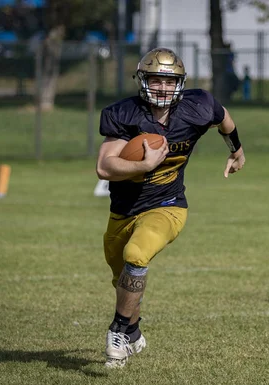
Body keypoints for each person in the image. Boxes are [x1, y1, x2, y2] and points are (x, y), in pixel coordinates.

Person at [95, 47, 246, 367]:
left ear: (180, 83)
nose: (162, 87)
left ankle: (117, 332)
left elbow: (224, 118)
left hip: (168, 205)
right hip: (123, 211)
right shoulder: (125, 114)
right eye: (155, 80)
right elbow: (105, 167)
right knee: (122, 279)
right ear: (143, 81)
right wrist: (142, 164)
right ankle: (133, 330)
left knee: (137, 254)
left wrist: (236, 150)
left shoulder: (198, 105)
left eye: (169, 81)